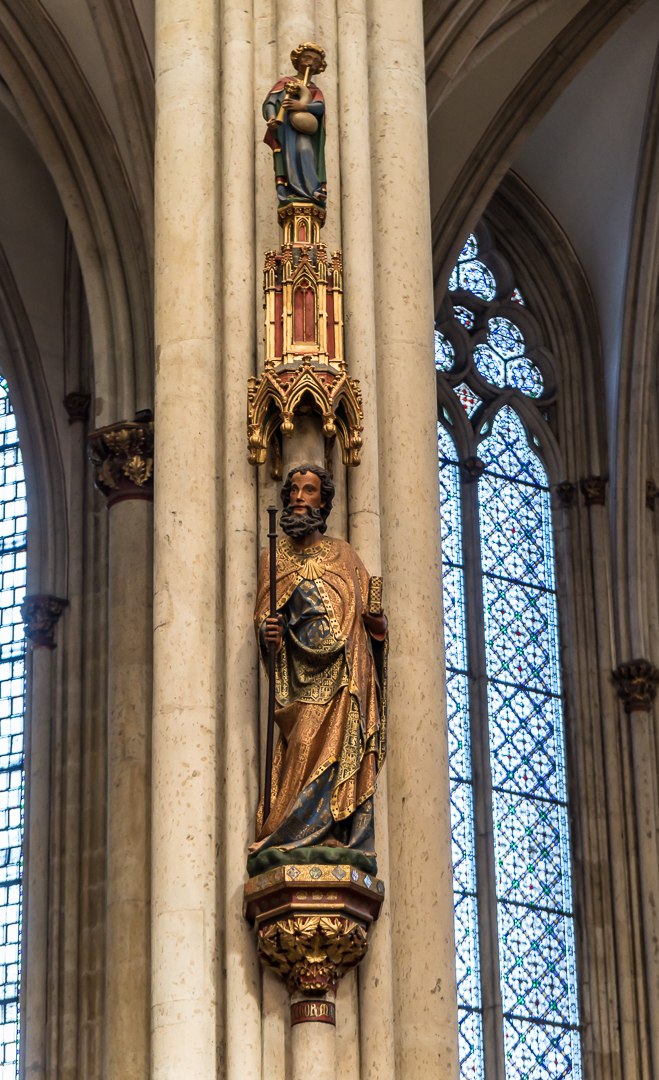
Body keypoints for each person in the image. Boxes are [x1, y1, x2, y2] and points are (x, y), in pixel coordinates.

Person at [248, 464, 387, 875]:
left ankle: (343, 837)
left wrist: (377, 626)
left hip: (346, 673)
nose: (298, 497)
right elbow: (265, 616)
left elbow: (370, 618)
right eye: (293, 490)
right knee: (303, 748)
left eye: (308, 491)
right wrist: (267, 631)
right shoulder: (273, 558)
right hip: (301, 676)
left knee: (345, 751)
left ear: (323, 502)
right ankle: (285, 833)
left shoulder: (345, 554)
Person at [262, 43, 327, 207]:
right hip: (285, 131)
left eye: (316, 60)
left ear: (319, 66)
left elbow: (319, 107)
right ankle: (287, 189)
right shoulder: (285, 83)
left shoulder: (313, 89)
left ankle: (312, 190)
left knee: (305, 150)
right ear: (298, 60)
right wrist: (271, 118)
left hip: (304, 132)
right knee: (286, 157)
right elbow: (270, 103)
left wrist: (303, 106)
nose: (310, 63)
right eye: (307, 58)